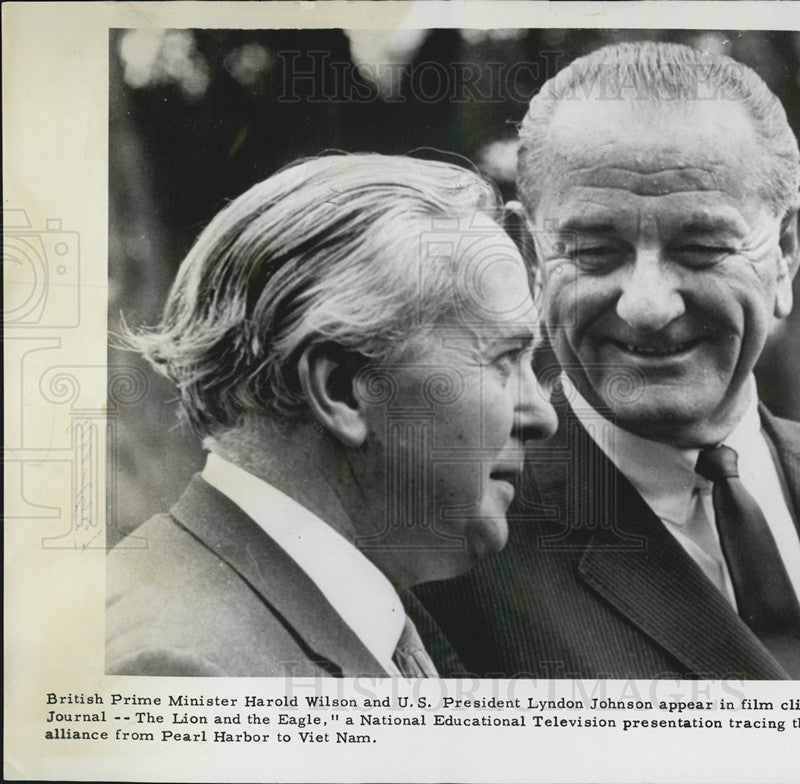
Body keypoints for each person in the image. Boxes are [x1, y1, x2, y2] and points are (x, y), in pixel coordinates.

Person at [415, 41, 800, 680]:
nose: (647, 306)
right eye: (592, 251)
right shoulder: (448, 555)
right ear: (531, 259)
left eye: (700, 248)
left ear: (785, 249)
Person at [106, 155, 558, 677]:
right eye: (504, 360)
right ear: (342, 389)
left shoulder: (363, 612)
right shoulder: (181, 664)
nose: (541, 415)